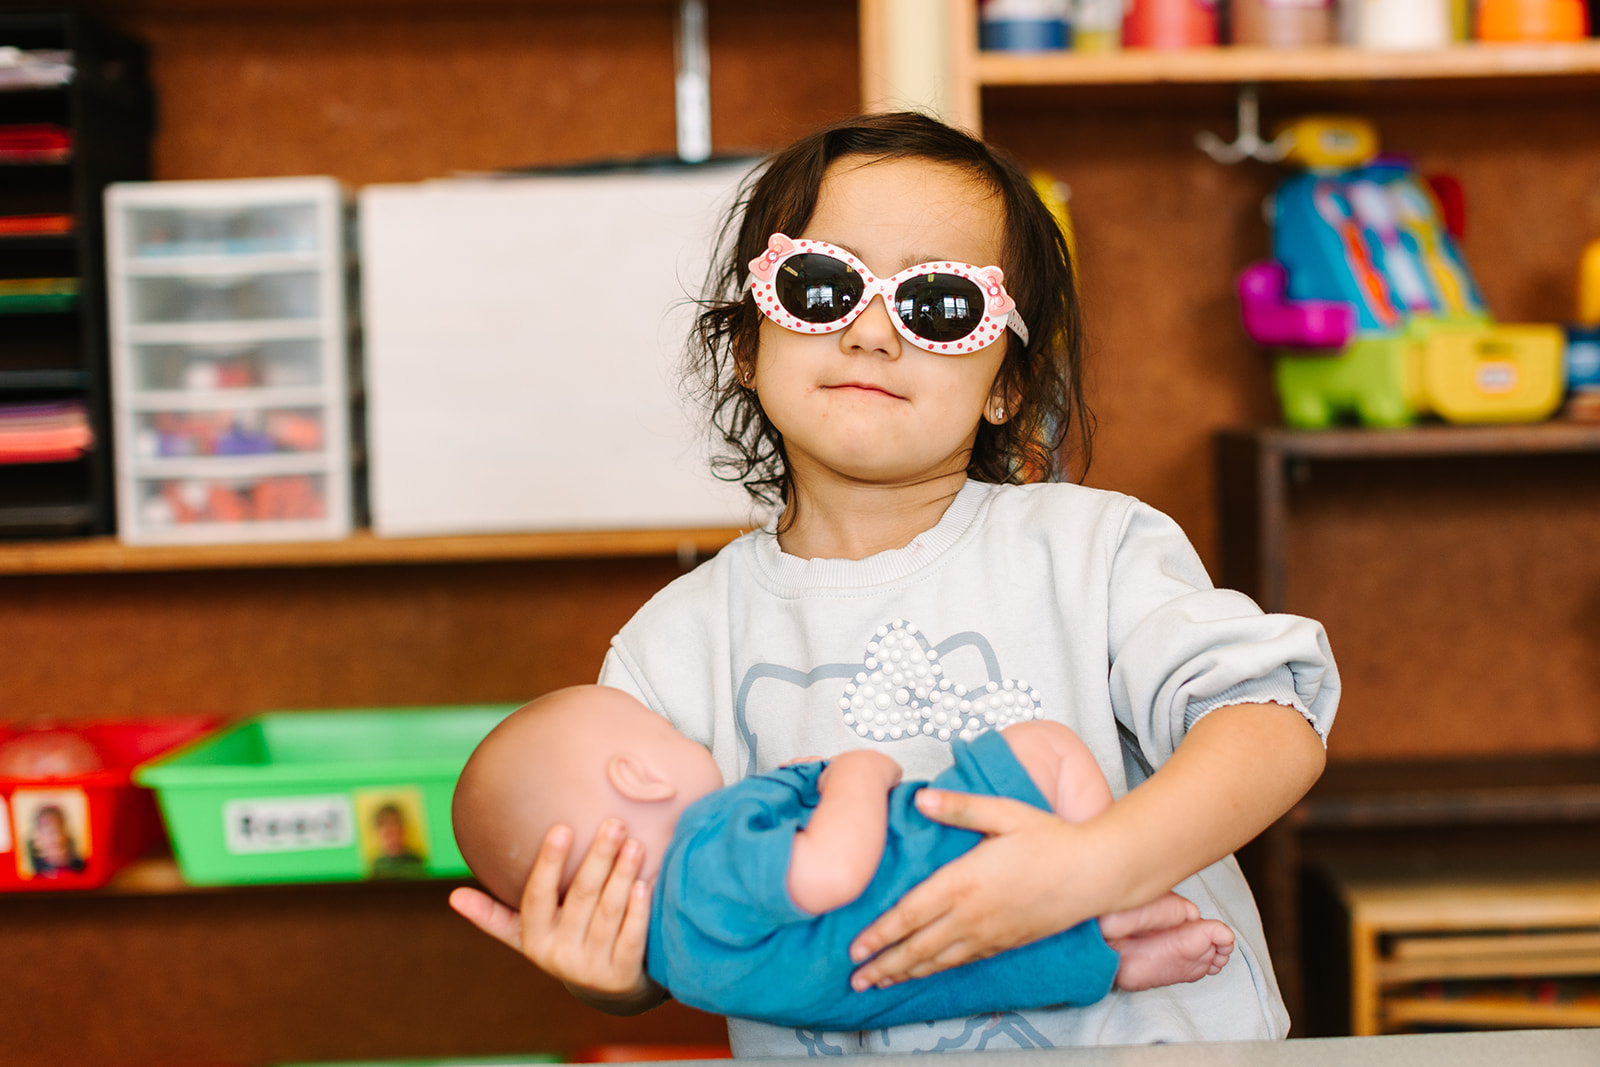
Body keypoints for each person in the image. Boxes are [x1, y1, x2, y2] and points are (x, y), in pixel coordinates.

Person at [448, 111, 1339, 1053]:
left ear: (1007, 385)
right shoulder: (674, 649)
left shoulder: (1093, 549)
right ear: (746, 345)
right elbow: (665, 921)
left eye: (941, 305)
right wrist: (609, 970)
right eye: (821, 288)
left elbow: (1272, 724)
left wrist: (1098, 865)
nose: (872, 333)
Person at [452, 685, 1235, 1031]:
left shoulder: (682, 966)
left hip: (921, 973)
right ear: (639, 775)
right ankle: (1103, 887)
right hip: (942, 857)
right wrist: (855, 773)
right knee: (1047, 748)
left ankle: (1124, 954)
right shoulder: (706, 843)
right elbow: (833, 872)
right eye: (666, 729)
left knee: (994, 965)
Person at [27, 804, 88, 878]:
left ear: (67, 834)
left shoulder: (85, 869)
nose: (55, 835)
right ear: (37, 840)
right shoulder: (34, 878)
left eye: (58, 827)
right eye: (47, 830)